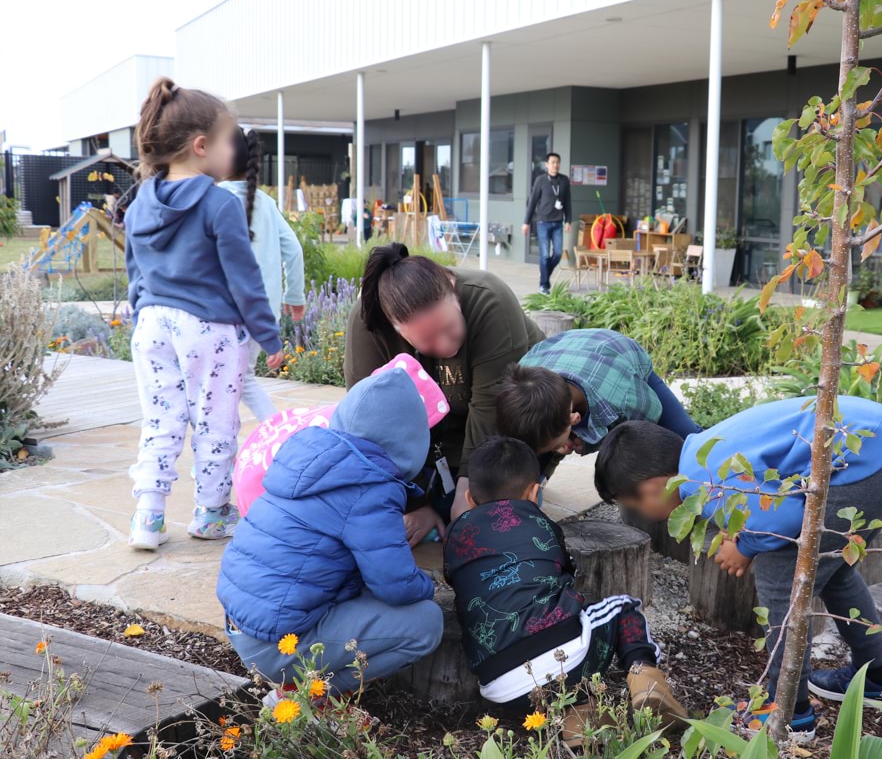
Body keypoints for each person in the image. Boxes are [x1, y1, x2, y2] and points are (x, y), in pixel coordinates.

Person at [594, 397, 882, 742]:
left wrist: (745, 546)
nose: (641, 513)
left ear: (652, 485)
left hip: (868, 463)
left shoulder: (697, 482)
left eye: (633, 504)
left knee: (780, 579)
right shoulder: (701, 451)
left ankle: (791, 713)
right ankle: (877, 679)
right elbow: (769, 495)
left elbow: (784, 518)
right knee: (834, 571)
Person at [123, 77, 283, 551]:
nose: (233, 150)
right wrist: (268, 337)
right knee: (215, 423)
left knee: (160, 420)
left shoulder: (137, 204)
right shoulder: (219, 204)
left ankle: (147, 518)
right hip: (207, 329)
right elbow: (244, 279)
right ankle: (211, 513)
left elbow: (135, 274)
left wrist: (140, 315)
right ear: (200, 147)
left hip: (151, 325)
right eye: (227, 139)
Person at [443, 436, 687, 734]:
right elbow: (567, 573)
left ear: (469, 499)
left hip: (497, 683)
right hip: (564, 657)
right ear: (535, 493)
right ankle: (646, 679)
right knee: (622, 607)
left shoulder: (456, 533)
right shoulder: (541, 523)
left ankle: (578, 718)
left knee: (561, 664)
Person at [218, 369, 442, 692]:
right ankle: (308, 696)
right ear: (409, 439)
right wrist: (430, 585)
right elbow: (396, 584)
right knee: (426, 622)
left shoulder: (308, 454)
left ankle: (296, 686)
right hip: (278, 646)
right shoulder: (371, 486)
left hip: (242, 624)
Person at [343, 244, 544, 543]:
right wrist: (415, 502)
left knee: (497, 522)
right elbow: (368, 426)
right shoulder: (368, 323)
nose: (446, 345)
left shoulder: (490, 300)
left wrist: (469, 491)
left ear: (452, 287)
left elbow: (490, 409)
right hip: (427, 444)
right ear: (397, 329)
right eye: (427, 341)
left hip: (501, 431)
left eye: (450, 327)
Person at [496, 328, 700, 458]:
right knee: (541, 441)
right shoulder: (522, 380)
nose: (559, 448)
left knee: (686, 436)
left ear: (574, 418)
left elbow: (650, 420)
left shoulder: (623, 395)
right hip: (565, 349)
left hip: (619, 352)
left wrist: (593, 441)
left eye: (557, 445)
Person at [219, 127, 306, 422]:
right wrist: (295, 296)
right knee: (242, 380)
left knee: (229, 384)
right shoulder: (267, 204)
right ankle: (277, 436)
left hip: (228, 311)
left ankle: (274, 436)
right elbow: (294, 250)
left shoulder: (215, 199)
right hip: (264, 311)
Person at [522, 152, 572, 294]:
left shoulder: (564, 180)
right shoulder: (541, 180)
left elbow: (567, 201)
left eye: (557, 162)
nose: (555, 165)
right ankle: (544, 285)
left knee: (557, 253)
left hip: (558, 223)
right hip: (543, 222)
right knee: (544, 255)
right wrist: (526, 222)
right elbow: (532, 202)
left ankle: (544, 273)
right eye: (552, 162)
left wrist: (568, 220)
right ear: (547, 165)